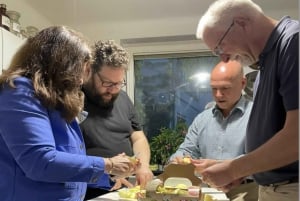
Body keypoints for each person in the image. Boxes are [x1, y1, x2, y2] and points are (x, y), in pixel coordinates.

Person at [0, 26, 136, 201]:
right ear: (58, 64)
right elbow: (41, 162)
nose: (80, 80)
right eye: (79, 69)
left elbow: (67, 163)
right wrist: (107, 164)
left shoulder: (54, 101)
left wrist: (107, 176)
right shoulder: (20, 91)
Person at [196, 1, 299, 201]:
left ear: (241, 23)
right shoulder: (264, 65)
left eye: (220, 47)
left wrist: (234, 169)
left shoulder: (294, 42)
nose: (224, 58)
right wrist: (241, 170)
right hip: (274, 189)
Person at [169, 60, 258, 201]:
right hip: (207, 192)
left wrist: (220, 165)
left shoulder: (258, 115)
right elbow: (186, 150)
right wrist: (178, 160)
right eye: (213, 88)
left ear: (242, 83)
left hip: (247, 192)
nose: (218, 95)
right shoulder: (202, 119)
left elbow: (260, 158)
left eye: (225, 88)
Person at [80, 40, 153, 200]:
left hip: (121, 191)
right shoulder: (73, 98)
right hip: (86, 192)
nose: (113, 90)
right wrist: (108, 173)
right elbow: (67, 155)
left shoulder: (124, 98)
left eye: (119, 83)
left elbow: (138, 137)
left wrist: (143, 165)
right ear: (90, 71)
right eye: (107, 83)